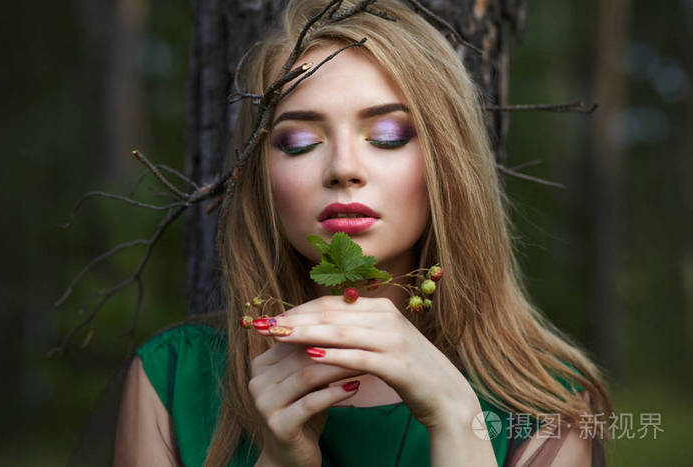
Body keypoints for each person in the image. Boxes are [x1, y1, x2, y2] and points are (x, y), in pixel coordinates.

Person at [112, 0, 614, 465]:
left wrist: (459, 423)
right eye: (300, 141)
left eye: (389, 136)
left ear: (448, 162)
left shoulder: (548, 407)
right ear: (259, 175)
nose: (344, 168)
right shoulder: (173, 379)